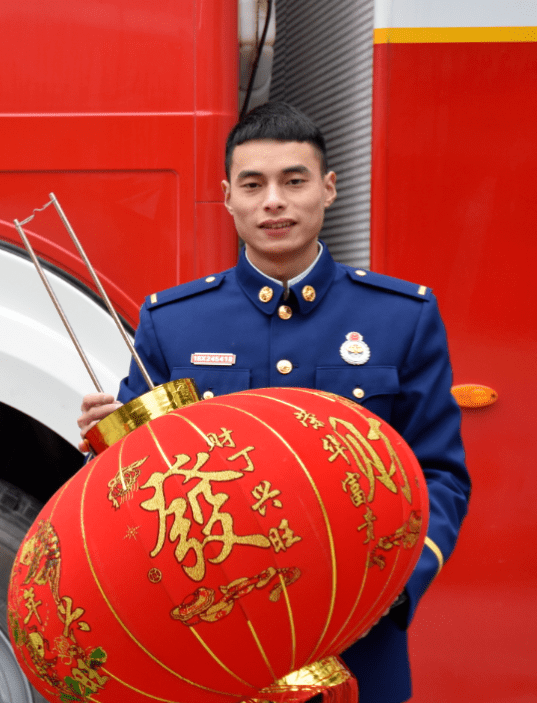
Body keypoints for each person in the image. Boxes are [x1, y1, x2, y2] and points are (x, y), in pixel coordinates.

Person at [77, 101, 469, 703]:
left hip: (357, 643)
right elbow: (134, 493)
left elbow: (438, 473)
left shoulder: (400, 319)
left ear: (329, 188)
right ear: (227, 197)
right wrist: (108, 448)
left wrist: (393, 587)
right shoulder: (174, 324)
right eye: (253, 185)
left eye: (294, 180)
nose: (274, 202)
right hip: (215, 647)